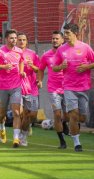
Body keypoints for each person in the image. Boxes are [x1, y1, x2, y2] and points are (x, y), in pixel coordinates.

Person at [53, 23, 94, 152]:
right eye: (64, 33)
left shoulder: (85, 47)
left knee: (82, 118)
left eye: (68, 33)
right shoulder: (61, 50)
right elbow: (54, 67)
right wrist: (61, 67)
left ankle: (71, 126)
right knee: (73, 115)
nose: (65, 36)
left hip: (84, 87)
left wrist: (86, 67)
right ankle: (77, 143)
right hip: (69, 87)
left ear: (75, 33)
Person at [0, 29, 25, 148]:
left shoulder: (19, 51)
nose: (14, 40)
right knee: (0, 113)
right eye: (12, 38)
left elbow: (21, 61)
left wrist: (22, 72)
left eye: (15, 38)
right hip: (2, 86)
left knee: (16, 112)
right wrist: (3, 67)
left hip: (16, 86)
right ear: (6, 39)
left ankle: (15, 138)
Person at [38, 31, 69, 149]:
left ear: (62, 40)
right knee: (57, 114)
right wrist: (40, 80)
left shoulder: (67, 53)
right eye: (53, 39)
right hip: (53, 88)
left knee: (67, 115)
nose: (54, 40)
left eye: (57, 38)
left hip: (68, 87)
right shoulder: (46, 55)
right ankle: (62, 141)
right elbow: (41, 69)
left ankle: (65, 122)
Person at [17, 32, 40, 147]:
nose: (21, 42)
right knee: (21, 113)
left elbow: (39, 69)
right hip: (17, 87)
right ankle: (22, 137)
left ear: (27, 42)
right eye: (19, 39)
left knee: (32, 115)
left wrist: (33, 66)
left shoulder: (32, 54)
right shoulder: (13, 54)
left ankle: (25, 129)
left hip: (31, 88)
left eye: (24, 40)